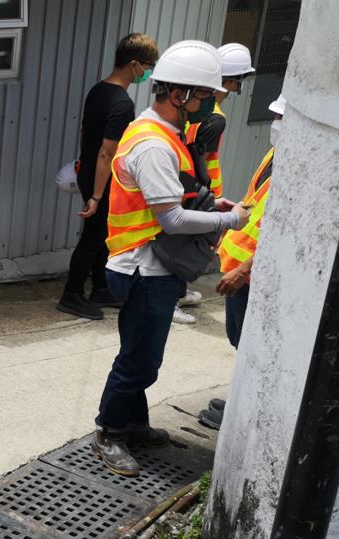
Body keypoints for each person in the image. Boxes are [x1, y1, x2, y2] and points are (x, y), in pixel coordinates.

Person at [92, 40, 251, 476]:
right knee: (139, 359)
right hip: (143, 267)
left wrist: (212, 207)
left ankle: (133, 424)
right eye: (204, 95)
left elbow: (176, 201)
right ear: (179, 95)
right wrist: (229, 221)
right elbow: (173, 218)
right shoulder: (153, 144)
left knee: (142, 352)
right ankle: (108, 431)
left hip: (150, 265)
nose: (209, 104)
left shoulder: (164, 132)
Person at [58, 33, 159, 320]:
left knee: (103, 235)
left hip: (90, 171)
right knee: (93, 237)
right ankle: (72, 294)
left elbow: (86, 136)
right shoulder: (122, 103)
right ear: (134, 64)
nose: (148, 73)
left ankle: (101, 288)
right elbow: (107, 152)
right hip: (101, 178)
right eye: (148, 66)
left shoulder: (98, 90)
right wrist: (97, 196)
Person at [198, 94, 285, 431]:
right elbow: (255, 203)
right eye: (276, 117)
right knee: (241, 340)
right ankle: (240, 398)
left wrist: (244, 268)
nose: (276, 124)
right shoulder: (276, 154)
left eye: (283, 118)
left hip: (253, 272)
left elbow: (282, 231)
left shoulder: (304, 169)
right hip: (242, 264)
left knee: (253, 345)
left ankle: (244, 415)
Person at [172, 42, 257, 325]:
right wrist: (204, 195)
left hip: (190, 185)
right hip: (199, 188)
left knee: (186, 241)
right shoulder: (215, 117)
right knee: (188, 244)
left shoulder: (196, 109)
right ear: (232, 81)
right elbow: (201, 157)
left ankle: (179, 292)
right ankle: (172, 299)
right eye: (237, 81)